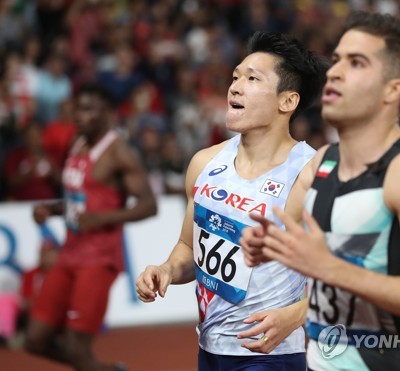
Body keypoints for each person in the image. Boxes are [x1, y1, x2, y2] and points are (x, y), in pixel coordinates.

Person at [241, 12, 400, 370]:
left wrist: (330, 267)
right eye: (339, 58)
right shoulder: (322, 162)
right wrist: (268, 245)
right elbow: (293, 240)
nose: (336, 72)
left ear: (393, 90)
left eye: (357, 63)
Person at [135, 31, 329, 370]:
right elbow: (187, 247)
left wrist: (296, 316)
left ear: (287, 101)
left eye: (253, 79)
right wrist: (166, 269)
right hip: (210, 350)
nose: (235, 87)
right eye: (236, 76)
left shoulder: (309, 174)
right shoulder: (204, 163)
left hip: (271, 356)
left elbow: (347, 271)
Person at [24, 83, 158, 371]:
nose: (79, 115)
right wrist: (52, 209)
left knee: (76, 347)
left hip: (98, 258)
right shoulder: (77, 142)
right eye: (78, 109)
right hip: (69, 253)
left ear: (107, 114)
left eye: (88, 109)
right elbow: (80, 199)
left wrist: (102, 218)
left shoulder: (118, 152)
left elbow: (150, 205)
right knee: (34, 339)